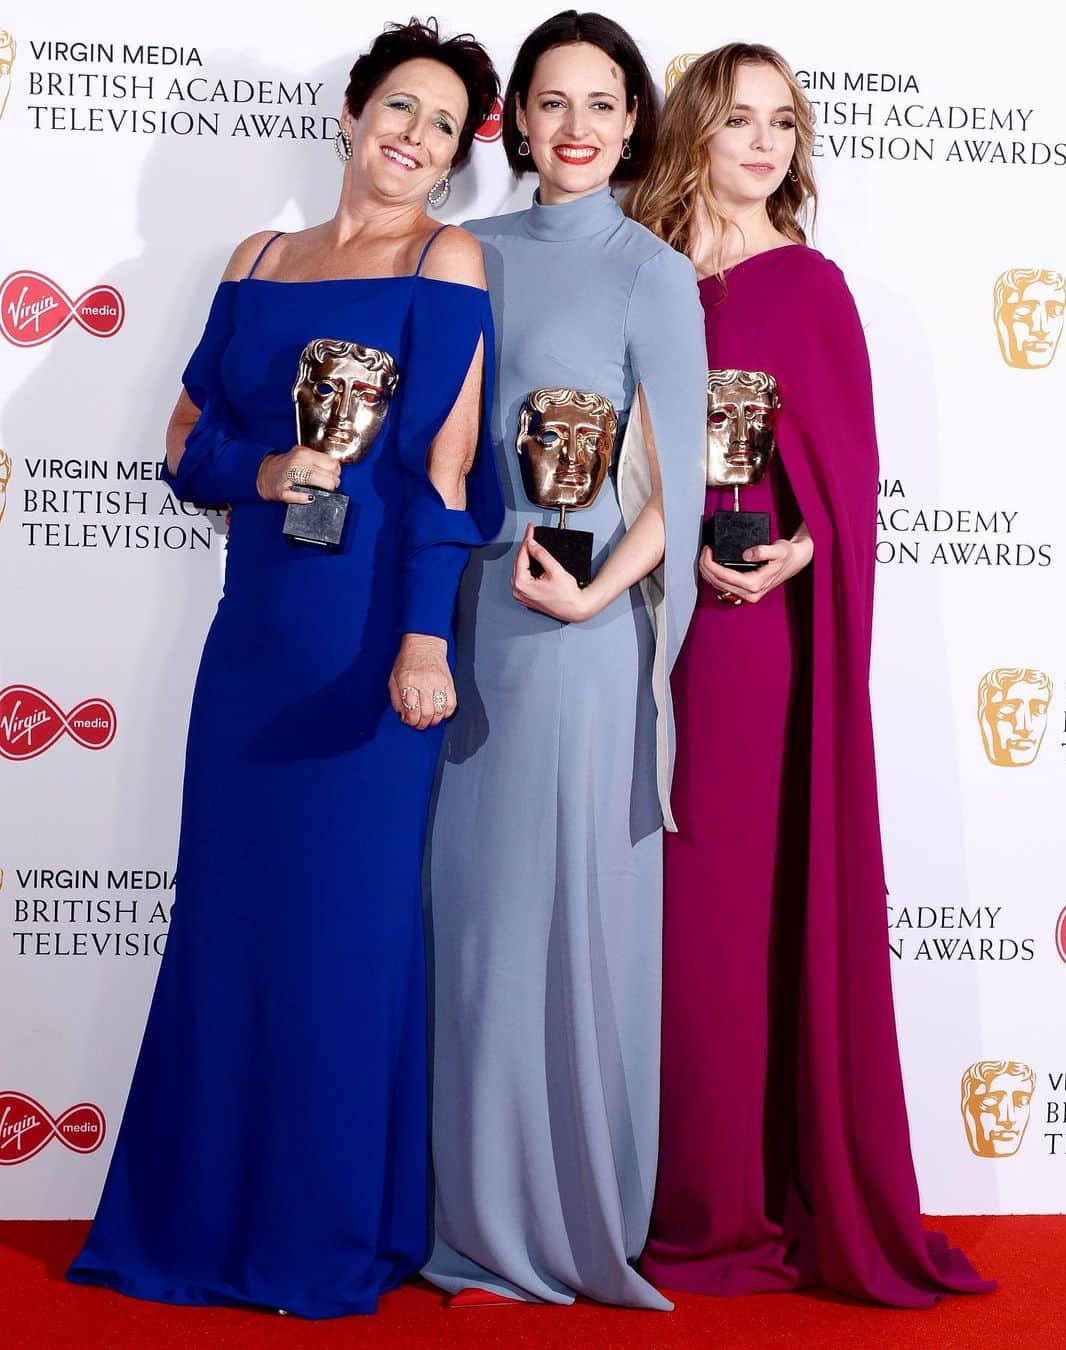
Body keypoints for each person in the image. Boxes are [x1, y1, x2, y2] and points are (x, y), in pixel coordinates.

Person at [67, 20, 502, 1318]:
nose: (411, 135)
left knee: (345, 942)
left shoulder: (448, 259)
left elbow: (445, 471)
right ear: (353, 113)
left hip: (371, 652)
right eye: (397, 107)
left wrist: (425, 638)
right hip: (251, 644)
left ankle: (323, 1231)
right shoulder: (257, 260)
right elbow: (190, 435)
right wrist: (261, 472)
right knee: (230, 929)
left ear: (458, 152)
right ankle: (195, 1220)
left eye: (440, 123)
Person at [625, 43, 994, 1306]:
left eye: (785, 122)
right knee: (653, 919)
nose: (767, 143)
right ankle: (634, 1182)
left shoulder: (809, 284)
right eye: (740, 121)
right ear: (695, 133)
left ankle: (731, 1200)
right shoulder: (647, 271)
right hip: (627, 623)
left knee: (727, 914)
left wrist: (799, 552)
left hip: (750, 641)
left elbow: (844, 480)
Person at [422, 9, 706, 1311]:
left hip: (587, 644)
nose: (577, 127)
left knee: (580, 924)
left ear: (632, 121)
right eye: (552, 102)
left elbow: (686, 481)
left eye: (601, 103)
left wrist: (598, 594)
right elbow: (438, 439)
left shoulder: (652, 270)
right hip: (477, 625)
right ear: (516, 121)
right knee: (480, 927)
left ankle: (583, 1215)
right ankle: (473, 1216)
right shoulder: (464, 254)